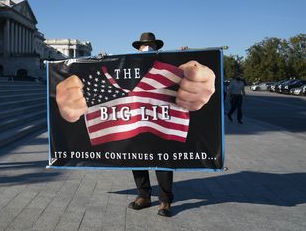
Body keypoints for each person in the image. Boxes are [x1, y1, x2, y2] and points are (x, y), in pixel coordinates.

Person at [55, 32, 215, 217]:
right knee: (136, 158)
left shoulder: (166, 64)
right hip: (132, 122)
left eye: (152, 45)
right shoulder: (127, 63)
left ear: (158, 47)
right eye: (143, 45)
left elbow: (189, 72)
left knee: (163, 162)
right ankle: (144, 195)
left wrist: (185, 58)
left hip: (160, 123)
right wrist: (100, 61)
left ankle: (165, 200)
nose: (147, 48)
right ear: (137, 47)